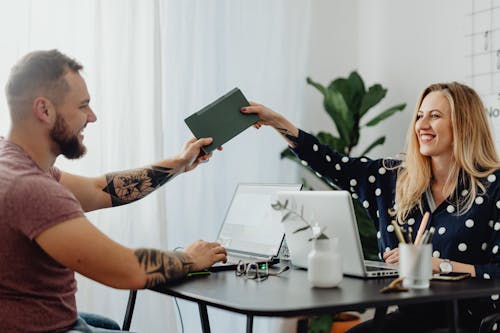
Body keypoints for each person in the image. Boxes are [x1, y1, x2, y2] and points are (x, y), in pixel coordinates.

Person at [242, 82, 500, 332]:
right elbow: (330, 162)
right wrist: (277, 122)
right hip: (413, 317)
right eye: (419, 115)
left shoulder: (494, 186)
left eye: (435, 116)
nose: (421, 125)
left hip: (470, 322)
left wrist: (440, 265)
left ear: (464, 124)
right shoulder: (392, 178)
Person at [0, 49, 227, 333]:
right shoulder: (32, 190)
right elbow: (128, 270)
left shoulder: (13, 161)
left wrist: (179, 164)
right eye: (83, 106)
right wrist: (193, 258)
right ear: (44, 110)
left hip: (39, 317)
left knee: (107, 325)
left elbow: (99, 189)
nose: (92, 117)